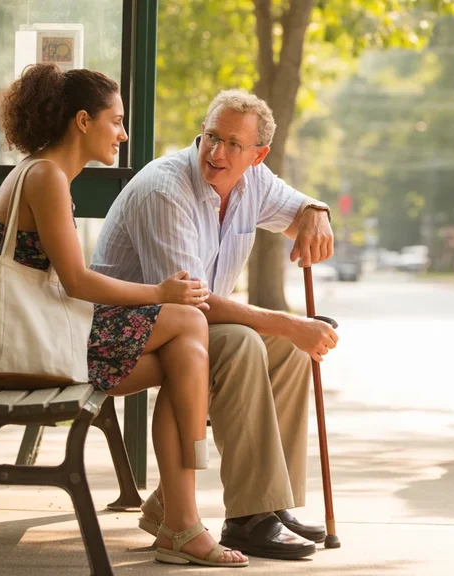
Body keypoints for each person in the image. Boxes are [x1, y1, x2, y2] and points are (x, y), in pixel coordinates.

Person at [0, 64, 247, 567]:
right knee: (188, 320)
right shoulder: (44, 177)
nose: (124, 134)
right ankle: (187, 501)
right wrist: (160, 290)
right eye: (117, 120)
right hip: (32, 342)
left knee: (183, 351)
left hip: (47, 330)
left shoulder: (46, 173)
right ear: (83, 121)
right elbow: (77, 282)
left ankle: (181, 520)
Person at [90, 89, 338, 561]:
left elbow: (299, 210)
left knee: (284, 348)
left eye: (232, 144)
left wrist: (317, 211)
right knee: (248, 342)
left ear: (257, 155)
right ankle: (249, 518)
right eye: (210, 137)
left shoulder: (254, 182)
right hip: (134, 332)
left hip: (186, 329)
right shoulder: (168, 189)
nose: (216, 152)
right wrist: (288, 321)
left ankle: (270, 503)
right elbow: (193, 304)